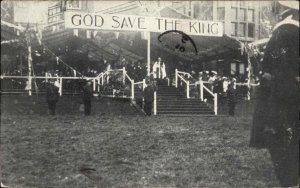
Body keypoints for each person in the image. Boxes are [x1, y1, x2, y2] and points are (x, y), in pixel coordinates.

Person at [250, 1, 299, 187]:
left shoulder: (285, 30)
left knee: (282, 143)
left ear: (278, 8)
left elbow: (278, 70)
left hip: (283, 100)